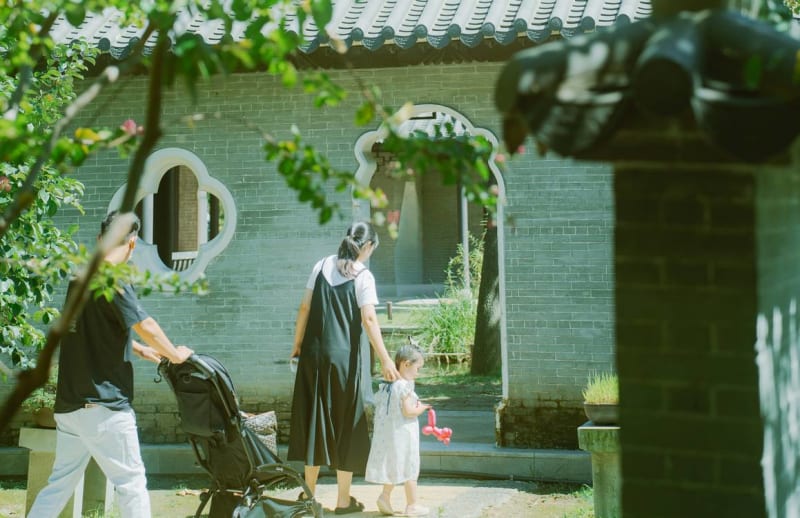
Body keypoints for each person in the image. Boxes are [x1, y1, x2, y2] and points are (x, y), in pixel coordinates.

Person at [28, 211, 194, 518]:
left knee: (59, 484)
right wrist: (175, 354)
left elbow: (88, 328)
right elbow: (146, 323)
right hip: (104, 406)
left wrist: (138, 349)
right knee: (131, 482)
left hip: (70, 407)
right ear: (132, 245)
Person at [288, 221, 400, 515]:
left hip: (312, 356)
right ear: (368, 247)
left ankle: (309, 497)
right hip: (344, 360)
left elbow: (304, 308)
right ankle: (342, 501)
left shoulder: (321, 265)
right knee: (346, 423)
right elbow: (369, 320)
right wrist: (386, 359)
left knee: (314, 421)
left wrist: (297, 344)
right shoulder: (363, 276)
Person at [365, 343, 431, 517]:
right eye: (418, 368)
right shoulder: (405, 387)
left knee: (393, 465)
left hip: (389, 435)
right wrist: (422, 408)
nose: (418, 372)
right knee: (410, 468)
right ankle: (412, 505)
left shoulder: (387, 385)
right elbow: (408, 411)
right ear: (406, 364)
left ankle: (385, 496)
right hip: (404, 434)